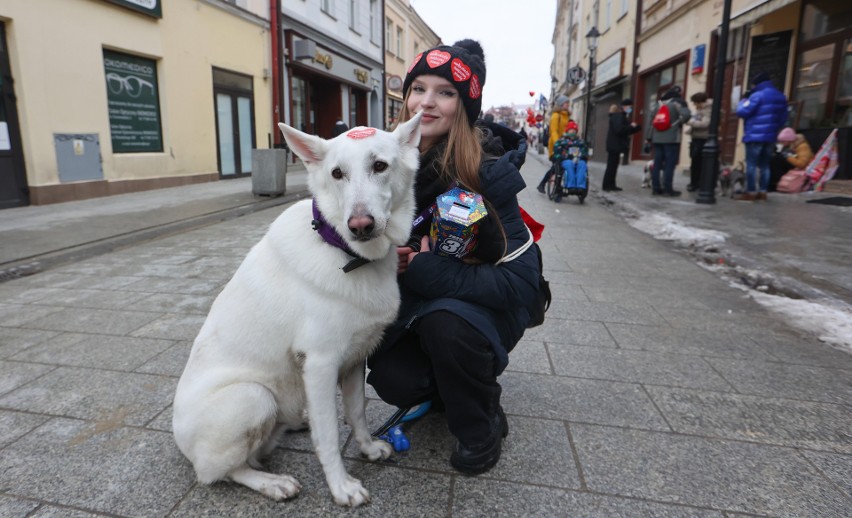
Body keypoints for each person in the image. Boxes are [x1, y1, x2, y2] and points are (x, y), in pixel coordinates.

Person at [366, 39, 541, 476]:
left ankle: (480, 423)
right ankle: (453, 386)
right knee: (394, 379)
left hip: (479, 309)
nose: (426, 103)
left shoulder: (485, 171)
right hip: (416, 306)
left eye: (445, 92)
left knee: (449, 330)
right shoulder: (378, 164)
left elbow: (524, 284)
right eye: (418, 88)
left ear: (464, 106)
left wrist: (427, 269)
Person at [735, 71, 788, 201]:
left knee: (751, 165)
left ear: (757, 84)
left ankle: (751, 192)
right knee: (765, 165)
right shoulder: (781, 96)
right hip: (770, 137)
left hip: (754, 136)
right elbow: (783, 118)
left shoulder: (757, 96)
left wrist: (743, 101)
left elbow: (742, 111)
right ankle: (763, 192)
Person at [647, 85, 691, 196]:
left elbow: (651, 122)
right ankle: (667, 189)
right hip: (671, 138)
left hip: (657, 139)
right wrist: (678, 123)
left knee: (657, 164)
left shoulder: (658, 104)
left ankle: (655, 188)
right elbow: (687, 115)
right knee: (669, 165)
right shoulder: (678, 103)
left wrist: (649, 138)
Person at [602, 99, 641, 192]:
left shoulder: (621, 116)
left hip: (615, 144)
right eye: (630, 107)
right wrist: (631, 126)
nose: (630, 109)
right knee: (611, 166)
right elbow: (619, 130)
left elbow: (625, 130)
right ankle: (607, 185)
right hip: (614, 144)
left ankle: (611, 184)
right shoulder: (618, 116)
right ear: (625, 107)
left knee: (613, 165)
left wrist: (635, 128)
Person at [536, 95, 572, 193]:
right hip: (556, 145)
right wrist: (558, 143)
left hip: (566, 145)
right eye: (566, 103)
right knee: (557, 166)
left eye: (568, 103)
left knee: (561, 166)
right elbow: (554, 131)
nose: (568, 105)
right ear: (561, 104)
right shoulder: (556, 115)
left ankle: (545, 185)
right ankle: (549, 185)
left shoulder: (568, 116)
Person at [552, 120, 589, 201]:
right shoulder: (561, 141)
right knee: (569, 164)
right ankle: (571, 185)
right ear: (567, 131)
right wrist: (562, 156)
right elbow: (557, 152)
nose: (572, 132)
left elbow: (585, 151)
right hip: (566, 160)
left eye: (574, 131)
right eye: (571, 130)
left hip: (578, 160)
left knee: (582, 164)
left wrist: (582, 156)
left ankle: (580, 186)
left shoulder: (580, 142)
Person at [685, 92, 712, 192]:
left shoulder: (707, 109)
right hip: (697, 138)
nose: (694, 105)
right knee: (695, 163)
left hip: (702, 138)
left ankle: (696, 184)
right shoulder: (701, 109)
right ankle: (695, 183)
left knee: (697, 163)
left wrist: (690, 121)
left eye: (695, 103)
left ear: (700, 102)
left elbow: (705, 124)